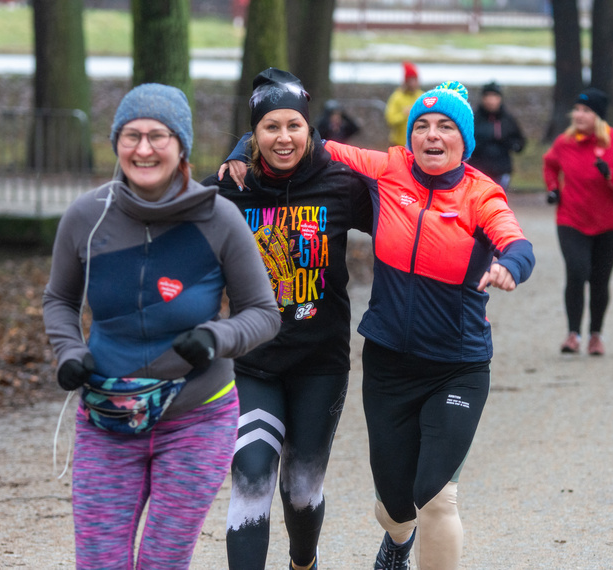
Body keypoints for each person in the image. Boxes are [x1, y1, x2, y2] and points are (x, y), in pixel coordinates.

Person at [226, 80, 535, 569]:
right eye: (423, 126)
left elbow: (515, 241)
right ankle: (397, 539)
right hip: (389, 361)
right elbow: (302, 137)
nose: (433, 135)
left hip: (457, 365)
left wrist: (510, 265)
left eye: (447, 126)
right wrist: (244, 145)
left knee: (436, 496)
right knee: (394, 503)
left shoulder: (481, 194)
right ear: (410, 135)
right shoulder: (389, 170)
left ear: (465, 140)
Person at [42, 83, 280, 570]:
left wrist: (217, 337)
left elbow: (263, 313)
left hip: (196, 420)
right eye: (131, 136)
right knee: (100, 562)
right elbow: (59, 300)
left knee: (161, 563)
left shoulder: (220, 219)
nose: (143, 149)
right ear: (115, 143)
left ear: (182, 146)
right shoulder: (86, 217)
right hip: (107, 417)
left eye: (158, 136)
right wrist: (69, 351)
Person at [203, 68, 372, 570]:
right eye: (270, 127)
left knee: (301, 489)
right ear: (252, 134)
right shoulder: (231, 189)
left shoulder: (341, 185)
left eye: (294, 125)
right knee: (252, 474)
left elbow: (408, 223)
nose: (283, 137)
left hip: (320, 365)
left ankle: (304, 562)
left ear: (310, 128)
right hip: (254, 363)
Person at [543, 87, 613, 356]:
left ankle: (595, 335)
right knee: (577, 272)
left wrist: (611, 175)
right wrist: (553, 188)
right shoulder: (565, 143)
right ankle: (573, 334)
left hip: (610, 226)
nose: (578, 114)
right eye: (576, 109)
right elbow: (549, 163)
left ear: (598, 116)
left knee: (599, 280)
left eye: (585, 111)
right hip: (571, 220)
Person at [467, 81, 526, 190]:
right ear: (483, 98)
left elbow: (520, 142)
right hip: (478, 170)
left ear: (500, 98)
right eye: (487, 96)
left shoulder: (508, 119)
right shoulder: (473, 118)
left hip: (501, 170)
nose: (491, 100)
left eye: (494, 96)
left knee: (497, 200)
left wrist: (512, 144)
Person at [384, 61, 423, 148]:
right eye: (411, 80)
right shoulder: (397, 97)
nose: (414, 83)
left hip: (417, 144)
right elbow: (390, 120)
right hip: (398, 144)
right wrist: (404, 114)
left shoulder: (421, 96)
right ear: (406, 82)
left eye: (415, 79)